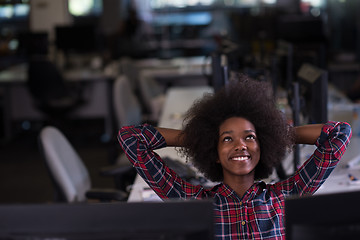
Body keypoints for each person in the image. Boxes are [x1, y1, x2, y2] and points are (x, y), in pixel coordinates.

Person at [118, 74, 352, 240]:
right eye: (228, 139)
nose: (240, 145)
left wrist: (279, 135)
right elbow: (131, 139)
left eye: (249, 137)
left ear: (263, 146)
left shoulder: (285, 197)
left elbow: (339, 134)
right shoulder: (195, 202)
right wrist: (198, 139)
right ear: (215, 154)